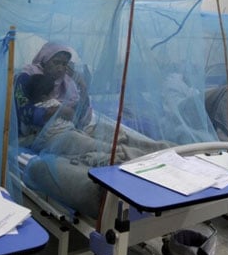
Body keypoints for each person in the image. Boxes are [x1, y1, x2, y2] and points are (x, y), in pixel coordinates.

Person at [15, 42, 171, 164]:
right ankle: (146, 158)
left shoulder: (67, 82)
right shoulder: (27, 78)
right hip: (41, 136)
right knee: (98, 146)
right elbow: (24, 113)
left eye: (65, 64)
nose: (61, 68)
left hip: (71, 128)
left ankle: (160, 148)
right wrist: (58, 111)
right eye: (56, 62)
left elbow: (81, 115)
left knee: (109, 131)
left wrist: (82, 88)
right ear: (44, 60)